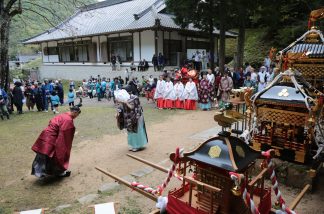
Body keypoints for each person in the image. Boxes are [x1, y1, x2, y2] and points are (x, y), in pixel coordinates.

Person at [31, 101, 82, 178]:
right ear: (75, 112)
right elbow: (64, 135)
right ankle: (56, 172)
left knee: (44, 154)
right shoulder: (68, 120)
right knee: (56, 154)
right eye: (77, 115)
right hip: (52, 137)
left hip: (46, 134)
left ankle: (42, 172)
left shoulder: (63, 115)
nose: (76, 117)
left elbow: (52, 122)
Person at [115, 88, 148, 152]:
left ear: (129, 92)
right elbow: (121, 107)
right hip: (128, 118)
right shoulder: (124, 98)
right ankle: (132, 145)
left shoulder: (135, 98)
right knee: (130, 131)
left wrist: (125, 102)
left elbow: (132, 107)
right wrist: (118, 112)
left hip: (137, 117)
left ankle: (138, 146)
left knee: (137, 131)